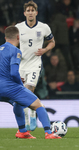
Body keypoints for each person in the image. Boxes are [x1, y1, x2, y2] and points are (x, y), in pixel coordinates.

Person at [0, 26, 61, 139]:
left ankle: (22, 131)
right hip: (10, 87)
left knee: (17, 103)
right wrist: (19, 84)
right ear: (18, 37)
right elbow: (14, 73)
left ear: (5, 38)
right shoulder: (15, 51)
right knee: (39, 105)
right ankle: (48, 133)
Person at [15, 1, 55, 131]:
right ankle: (31, 113)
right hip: (21, 65)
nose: (30, 12)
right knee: (21, 94)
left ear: (36, 13)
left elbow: (52, 42)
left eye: (33, 10)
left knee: (29, 89)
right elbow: (12, 44)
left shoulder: (44, 27)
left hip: (35, 64)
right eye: (28, 10)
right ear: (24, 13)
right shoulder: (18, 27)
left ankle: (30, 116)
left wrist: (44, 50)